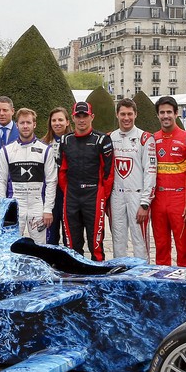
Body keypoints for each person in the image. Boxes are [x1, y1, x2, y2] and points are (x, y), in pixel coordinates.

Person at [58, 101, 114, 260]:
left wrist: (103, 195)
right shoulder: (65, 140)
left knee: (95, 244)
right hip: (72, 196)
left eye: (85, 116)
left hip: (94, 195)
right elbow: (61, 171)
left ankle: (97, 276)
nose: (82, 120)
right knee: (71, 243)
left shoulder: (102, 139)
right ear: (73, 118)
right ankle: (74, 274)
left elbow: (108, 173)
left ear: (92, 117)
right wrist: (69, 191)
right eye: (78, 116)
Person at [0, 108, 57, 243]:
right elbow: (1, 181)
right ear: (16, 125)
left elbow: (52, 181)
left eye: (28, 122)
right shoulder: (7, 150)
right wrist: (2, 208)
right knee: (11, 246)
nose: (25, 126)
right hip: (16, 206)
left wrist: (48, 209)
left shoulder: (46, 150)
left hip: (38, 207)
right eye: (22, 123)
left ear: (34, 124)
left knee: (41, 248)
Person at [109, 98, 156, 260]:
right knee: (118, 238)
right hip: (116, 195)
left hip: (137, 195)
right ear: (117, 115)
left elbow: (151, 172)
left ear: (136, 114)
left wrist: (145, 202)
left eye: (130, 114)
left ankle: (142, 275)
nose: (126, 118)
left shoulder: (145, 138)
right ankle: (119, 272)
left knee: (140, 240)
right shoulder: (110, 137)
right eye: (123, 114)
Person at [152, 96, 186, 267]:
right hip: (158, 200)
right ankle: (163, 285)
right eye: (162, 112)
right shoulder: (151, 139)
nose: (165, 116)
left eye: (169, 112)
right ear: (157, 115)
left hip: (179, 200)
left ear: (176, 114)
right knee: (161, 247)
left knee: (184, 247)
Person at [43, 107, 70, 245]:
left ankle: (67, 262)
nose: (57, 123)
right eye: (54, 120)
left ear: (67, 122)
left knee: (69, 233)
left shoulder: (74, 141)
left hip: (68, 193)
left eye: (60, 119)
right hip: (50, 194)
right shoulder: (43, 143)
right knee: (51, 233)